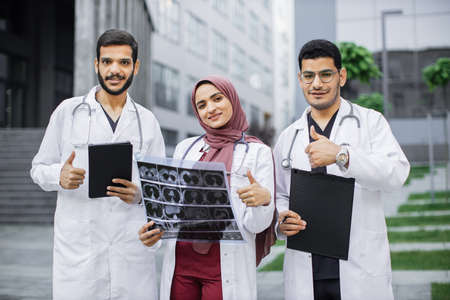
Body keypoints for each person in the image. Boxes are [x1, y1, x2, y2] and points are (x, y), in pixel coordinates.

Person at [30, 29, 165, 300]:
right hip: (80, 255)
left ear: (135, 67)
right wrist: (59, 174)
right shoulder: (68, 112)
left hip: (131, 255)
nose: (114, 70)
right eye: (107, 62)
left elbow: (161, 190)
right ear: (96, 65)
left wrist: (139, 195)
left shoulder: (147, 121)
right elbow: (38, 168)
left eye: (124, 62)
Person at [274, 39, 410, 300]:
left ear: (342, 76)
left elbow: (397, 173)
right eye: (308, 76)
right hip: (307, 270)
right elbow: (280, 193)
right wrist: (281, 219)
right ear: (300, 79)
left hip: (358, 266)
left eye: (326, 74)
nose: (316, 84)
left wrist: (342, 156)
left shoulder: (370, 122)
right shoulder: (288, 137)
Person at [139, 75, 276, 300]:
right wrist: (156, 229)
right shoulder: (186, 147)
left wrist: (263, 201)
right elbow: (174, 207)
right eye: (202, 105)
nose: (210, 108)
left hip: (224, 267)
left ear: (232, 98)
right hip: (182, 263)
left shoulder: (257, 152)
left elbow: (257, 225)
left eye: (217, 99)